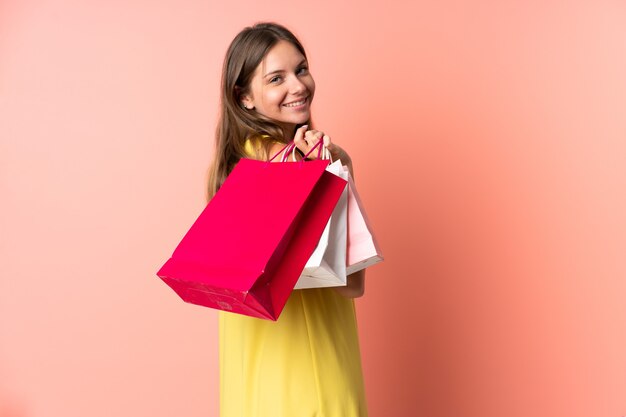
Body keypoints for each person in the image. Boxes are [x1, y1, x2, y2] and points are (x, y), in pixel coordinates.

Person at [206, 22, 368, 417]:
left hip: (250, 383)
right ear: (243, 97)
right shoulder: (313, 163)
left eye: (301, 69)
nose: (298, 86)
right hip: (312, 379)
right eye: (276, 78)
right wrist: (327, 172)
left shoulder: (228, 171)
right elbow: (352, 284)